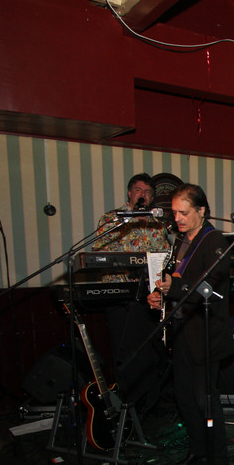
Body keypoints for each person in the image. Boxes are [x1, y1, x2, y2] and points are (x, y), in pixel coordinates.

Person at [147, 184, 232, 465]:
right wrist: (159, 294)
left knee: (204, 399)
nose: (178, 219)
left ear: (201, 210)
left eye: (184, 213)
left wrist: (176, 287)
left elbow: (210, 286)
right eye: (174, 213)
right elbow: (175, 278)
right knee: (184, 397)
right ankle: (198, 451)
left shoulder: (214, 240)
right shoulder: (181, 240)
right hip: (183, 330)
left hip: (206, 334)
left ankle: (217, 457)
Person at [93, 173, 170, 413]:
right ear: (129, 193)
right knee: (125, 354)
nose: (143, 195)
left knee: (150, 353)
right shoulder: (112, 219)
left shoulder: (156, 224)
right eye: (139, 190)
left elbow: (165, 256)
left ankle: (151, 406)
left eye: (147, 192)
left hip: (149, 297)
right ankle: (128, 407)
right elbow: (100, 253)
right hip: (120, 296)